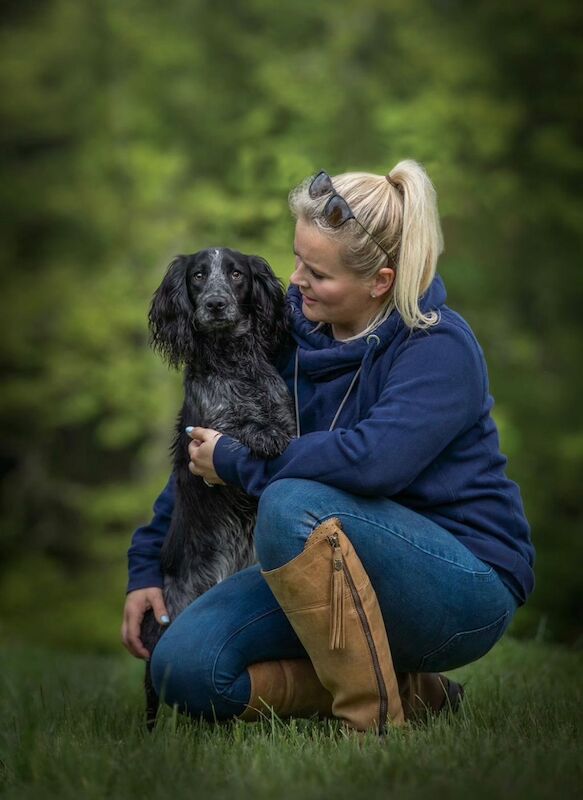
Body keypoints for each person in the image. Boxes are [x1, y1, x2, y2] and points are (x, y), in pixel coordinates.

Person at [122, 162, 535, 732]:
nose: (295, 280)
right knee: (182, 669)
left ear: (380, 282)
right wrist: (147, 567)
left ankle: (372, 719)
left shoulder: (438, 347)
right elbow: (202, 444)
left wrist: (237, 462)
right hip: (323, 568)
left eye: (316, 272)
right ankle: (416, 692)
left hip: (459, 581)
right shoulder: (288, 332)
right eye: (297, 260)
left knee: (291, 501)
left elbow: (370, 462)